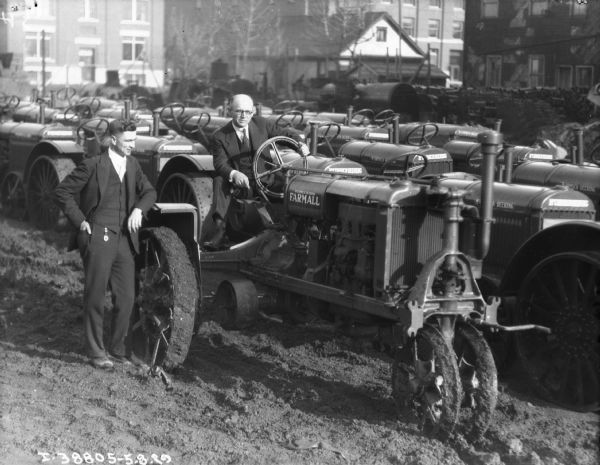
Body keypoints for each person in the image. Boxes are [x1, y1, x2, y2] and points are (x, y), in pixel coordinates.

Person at [55, 120, 157, 369]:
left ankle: (118, 349)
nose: (133, 145)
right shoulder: (92, 165)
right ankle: (96, 352)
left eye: (135, 140)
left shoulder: (133, 165)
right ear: (113, 140)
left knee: (127, 298)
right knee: (96, 296)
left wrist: (138, 212)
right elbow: (62, 192)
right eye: (128, 141)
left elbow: (150, 192)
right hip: (97, 234)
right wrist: (80, 221)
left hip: (124, 238)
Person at [204, 93, 309, 249]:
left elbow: (286, 133)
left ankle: (301, 233)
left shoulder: (262, 124)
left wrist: (299, 143)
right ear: (230, 111)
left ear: (253, 112)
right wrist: (234, 174)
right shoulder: (220, 136)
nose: (243, 116)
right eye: (239, 111)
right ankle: (220, 231)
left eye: (247, 112)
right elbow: (220, 163)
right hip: (242, 187)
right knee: (220, 181)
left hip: (267, 180)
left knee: (295, 186)